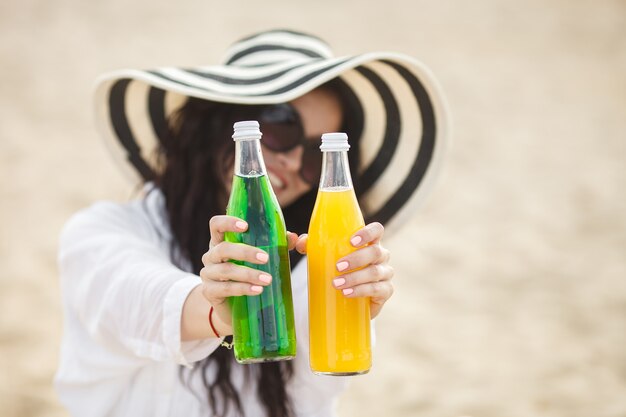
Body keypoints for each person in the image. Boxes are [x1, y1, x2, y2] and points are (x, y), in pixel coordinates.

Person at [55, 29, 447, 417]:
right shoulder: (103, 232)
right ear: (219, 125)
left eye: (315, 154)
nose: (293, 162)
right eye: (280, 128)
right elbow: (132, 300)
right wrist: (221, 312)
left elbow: (317, 390)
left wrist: (350, 309)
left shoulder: (310, 263)